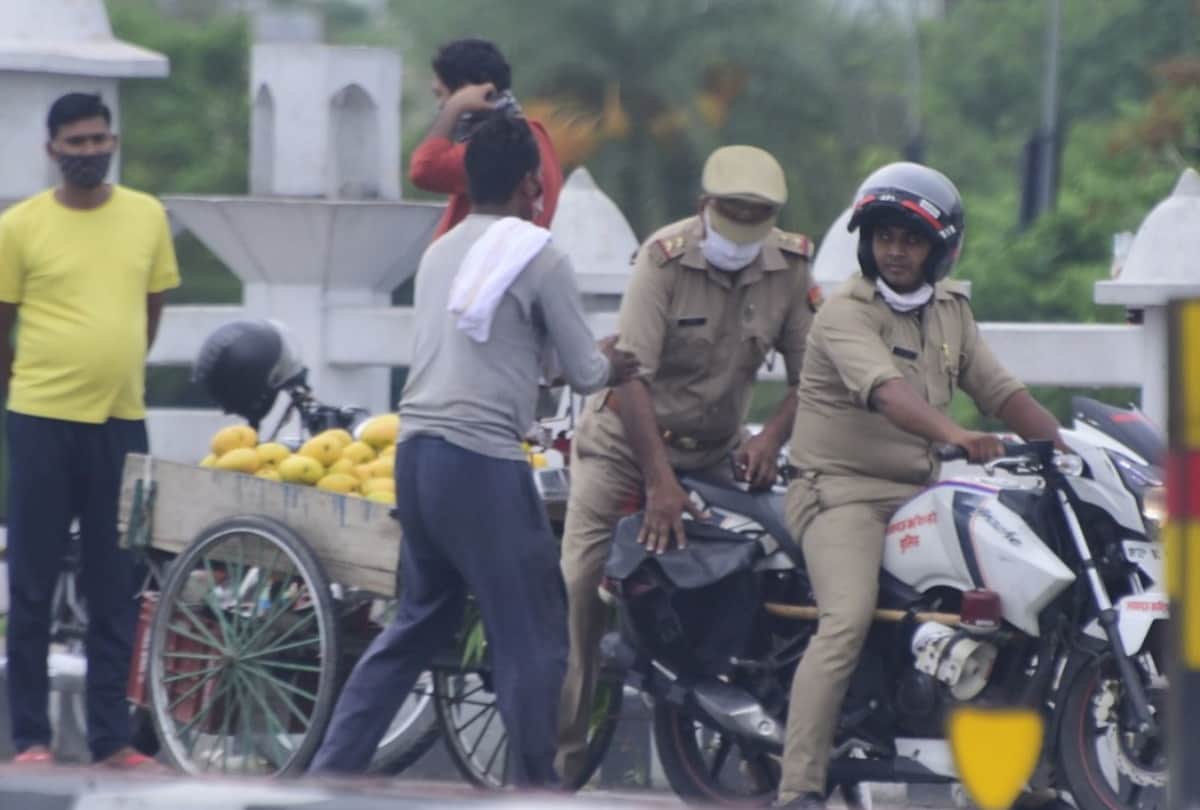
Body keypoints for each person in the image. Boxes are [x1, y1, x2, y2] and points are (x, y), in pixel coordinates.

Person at [309, 111, 637, 786]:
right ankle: (535, 791)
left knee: (419, 625)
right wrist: (616, 363)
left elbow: (498, 352)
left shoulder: (442, 251)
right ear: (529, 183)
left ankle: (330, 773)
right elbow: (585, 372)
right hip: (479, 462)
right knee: (534, 633)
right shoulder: (539, 254)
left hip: (417, 456)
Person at [774, 162, 1064, 809]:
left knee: (1008, 610)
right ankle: (798, 788)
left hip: (919, 495)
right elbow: (888, 392)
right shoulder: (846, 313)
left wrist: (1068, 452)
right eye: (883, 236)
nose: (895, 250)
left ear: (941, 249)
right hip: (839, 494)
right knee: (844, 621)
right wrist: (956, 436)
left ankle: (1017, 777)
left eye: (910, 239)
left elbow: (1002, 392)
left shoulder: (951, 311)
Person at [557, 144, 820, 781]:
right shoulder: (663, 260)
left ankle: (750, 739)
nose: (742, 231)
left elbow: (810, 380)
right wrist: (658, 482)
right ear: (704, 207)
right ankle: (560, 758)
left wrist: (770, 441)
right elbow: (630, 380)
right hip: (625, 445)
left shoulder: (788, 265)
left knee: (758, 578)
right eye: (732, 215)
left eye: (757, 218)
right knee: (581, 583)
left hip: (719, 453)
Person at [0, 92, 180, 768]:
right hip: (41, 421)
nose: (88, 152)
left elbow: (151, 308)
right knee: (35, 585)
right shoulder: (19, 227)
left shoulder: (146, 216)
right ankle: (30, 739)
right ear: (51, 150)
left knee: (118, 583)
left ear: (113, 141)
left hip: (120, 424)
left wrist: (117, 366)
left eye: (98, 139)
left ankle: (111, 740)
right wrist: (28, 388)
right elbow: (2, 323)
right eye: (74, 143)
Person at [410, 37, 563, 239]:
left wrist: (453, 108)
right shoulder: (530, 134)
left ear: (468, 93)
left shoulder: (499, 145)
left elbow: (424, 170)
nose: (441, 106)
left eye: (441, 95)